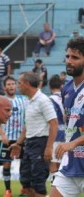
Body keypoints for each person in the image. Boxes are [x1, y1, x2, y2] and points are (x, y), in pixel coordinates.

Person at [9, 72, 58, 197]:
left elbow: (54, 123)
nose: (18, 86)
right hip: (29, 144)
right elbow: (27, 125)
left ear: (27, 84)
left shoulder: (43, 100)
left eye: (19, 83)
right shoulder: (28, 101)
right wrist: (18, 143)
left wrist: (48, 147)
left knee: (38, 182)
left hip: (41, 143)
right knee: (25, 181)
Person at [51, 37, 84, 196]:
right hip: (71, 164)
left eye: (75, 57)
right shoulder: (67, 90)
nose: (69, 61)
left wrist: (73, 143)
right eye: (68, 56)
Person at [0, 76, 26, 197]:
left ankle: (24, 188)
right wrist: (2, 134)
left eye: (13, 84)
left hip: (21, 138)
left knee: (24, 165)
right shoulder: (0, 101)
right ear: (4, 87)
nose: (11, 86)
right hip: (7, 137)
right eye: (8, 84)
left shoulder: (23, 100)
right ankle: (8, 190)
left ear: (16, 85)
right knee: (6, 164)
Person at [47, 75, 66, 178]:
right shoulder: (65, 98)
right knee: (61, 164)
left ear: (50, 87)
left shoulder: (49, 100)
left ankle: (54, 191)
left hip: (55, 134)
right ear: (61, 86)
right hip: (66, 134)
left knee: (53, 164)